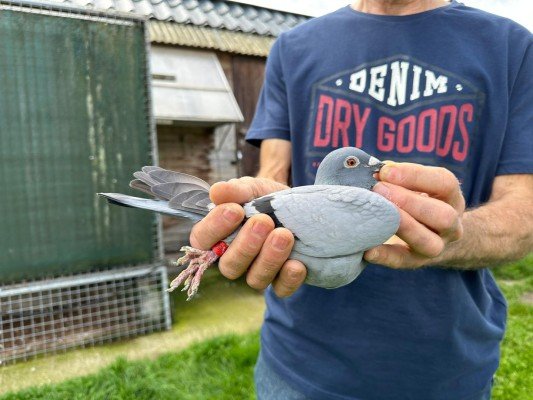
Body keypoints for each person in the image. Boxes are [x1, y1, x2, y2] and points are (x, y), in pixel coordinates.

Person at [190, 1, 533, 399]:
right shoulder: (292, 47)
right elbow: (273, 176)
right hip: (298, 367)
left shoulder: (513, 48)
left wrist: (450, 235)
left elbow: (524, 214)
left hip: (447, 370)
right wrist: (257, 216)